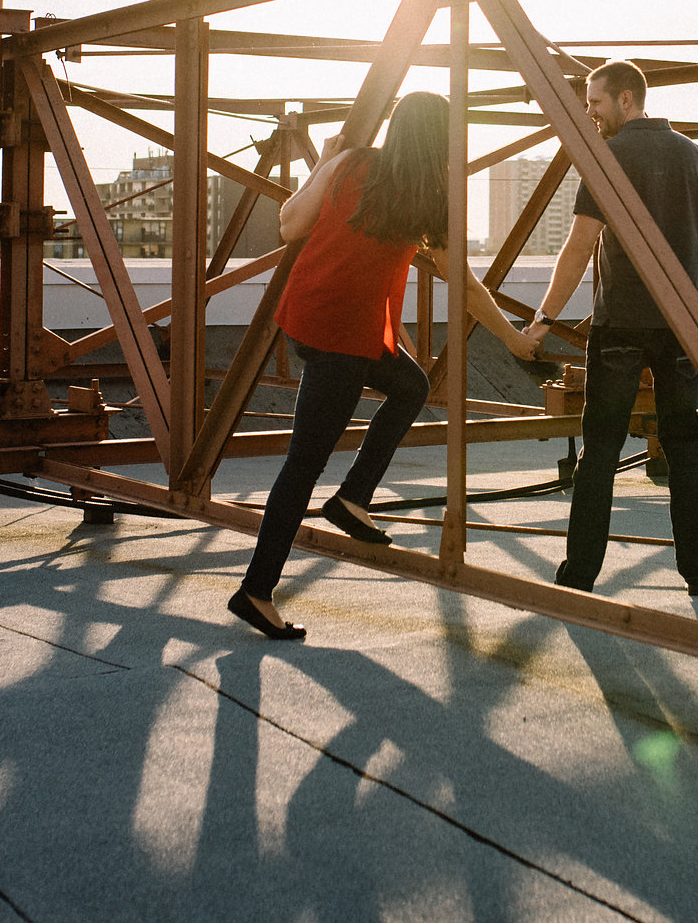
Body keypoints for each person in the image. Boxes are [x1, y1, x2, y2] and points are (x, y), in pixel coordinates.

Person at [230, 91, 543, 641]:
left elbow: (289, 223)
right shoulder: (433, 195)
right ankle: (256, 591)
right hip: (342, 338)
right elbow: (464, 285)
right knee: (302, 466)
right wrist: (515, 342)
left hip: (314, 316)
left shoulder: (353, 164)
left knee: (410, 384)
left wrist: (326, 161)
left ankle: (353, 497)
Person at [523, 60, 698, 597]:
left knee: (602, 449)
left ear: (626, 101)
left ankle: (581, 573)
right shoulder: (693, 155)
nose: (589, 113)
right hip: (681, 324)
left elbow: (579, 244)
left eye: (595, 103)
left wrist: (544, 319)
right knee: (685, 447)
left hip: (620, 325)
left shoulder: (608, 157)